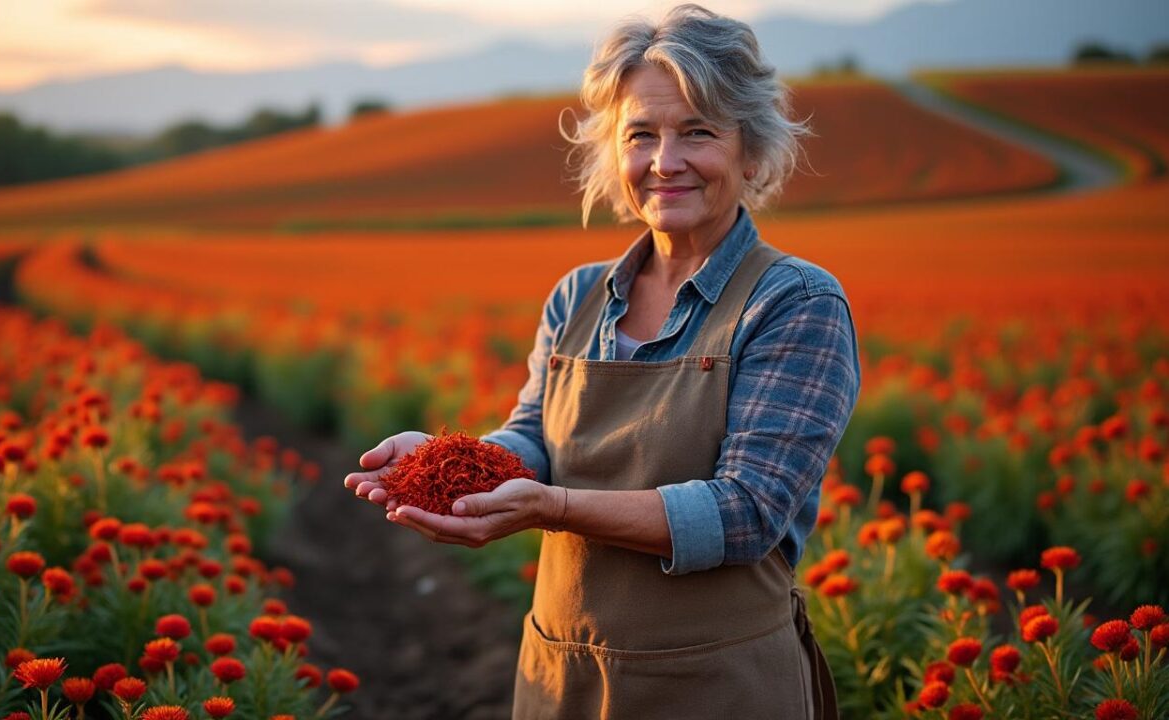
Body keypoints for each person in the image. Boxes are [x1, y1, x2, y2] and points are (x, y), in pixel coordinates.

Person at [344, 4, 860, 718]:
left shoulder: (794, 302)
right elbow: (533, 440)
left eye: (698, 133)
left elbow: (746, 512)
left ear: (751, 150)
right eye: (640, 134)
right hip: (561, 680)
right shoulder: (578, 296)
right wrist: (452, 462)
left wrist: (549, 508)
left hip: (718, 687)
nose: (664, 161)